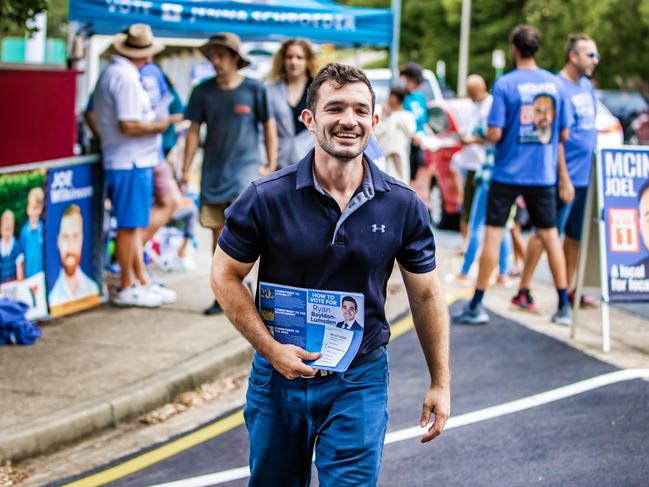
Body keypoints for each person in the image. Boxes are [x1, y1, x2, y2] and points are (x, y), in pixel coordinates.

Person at [211, 63, 450, 486]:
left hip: (359, 378)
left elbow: (427, 295)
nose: (348, 120)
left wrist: (440, 382)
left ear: (374, 122)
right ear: (309, 119)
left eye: (360, 110)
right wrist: (270, 349)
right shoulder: (265, 197)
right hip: (278, 377)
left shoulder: (403, 205)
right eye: (334, 108)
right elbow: (224, 276)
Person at [453, 25, 573, 326]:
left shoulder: (506, 84)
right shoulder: (555, 85)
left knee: (494, 233)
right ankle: (563, 306)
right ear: (537, 49)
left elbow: (494, 132)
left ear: (514, 49)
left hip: (507, 172)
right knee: (550, 236)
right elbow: (564, 133)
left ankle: (477, 303)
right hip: (542, 173)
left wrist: (482, 134)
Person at [182, 32, 278, 315]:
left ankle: (246, 286)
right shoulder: (202, 91)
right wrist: (184, 169)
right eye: (212, 55)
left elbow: (268, 125)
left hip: (245, 172)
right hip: (213, 173)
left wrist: (270, 163)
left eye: (221, 55)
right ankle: (223, 294)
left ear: (235, 58)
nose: (215, 60)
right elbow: (192, 131)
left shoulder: (254, 89)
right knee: (217, 235)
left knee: (246, 231)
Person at [512, 33, 601, 312]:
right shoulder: (556, 86)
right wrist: (563, 177)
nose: (595, 61)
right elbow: (555, 137)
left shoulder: (586, 87)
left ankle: (572, 289)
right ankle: (523, 290)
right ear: (573, 56)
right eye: (590, 55)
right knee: (545, 233)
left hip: (586, 175)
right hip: (563, 176)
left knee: (575, 236)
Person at [93, 23, 174, 308]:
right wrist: (161, 125)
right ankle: (128, 284)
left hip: (130, 160)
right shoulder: (124, 77)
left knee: (133, 224)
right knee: (129, 226)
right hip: (130, 160)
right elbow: (128, 124)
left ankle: (137, 280)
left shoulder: (119, 73)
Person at [452, 75, 511, 284]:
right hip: (502, 177)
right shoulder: (512, 119)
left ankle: (466, 271)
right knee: (500, 227)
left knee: (477, 224)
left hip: (487, 174)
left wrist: (476, 136)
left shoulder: (494, 111)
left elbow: (487, 133)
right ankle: (503, 273)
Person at [139, 61, 184, 248]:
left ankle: (135, 254)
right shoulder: (127, 77)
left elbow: (180, 112)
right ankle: (130, 258)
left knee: (169, 202)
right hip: (139, 157)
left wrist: (160, 122)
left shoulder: (160, 80)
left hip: (160, 153)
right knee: (140, 212)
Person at [266, 38, 318, 168]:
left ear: (307, 61)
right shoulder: (270, 90)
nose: (294, 62)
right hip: (280, 163)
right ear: (282, 60)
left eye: (299, 57)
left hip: (312, 161)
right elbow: (264, 129)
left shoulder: (319, 89)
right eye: (289, 57)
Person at [48, 205, 100, 306]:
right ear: (58, 241)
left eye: (75, 236)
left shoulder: (93, 288)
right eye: (66, 237)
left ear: (82, 239)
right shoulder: (52, 298)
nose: (70, 246)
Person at [374, 86, 416, 183]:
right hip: (383, 157)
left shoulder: (406, 116)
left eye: (390, 96)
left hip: (398, 156)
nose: (388, 98)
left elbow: (410, 131)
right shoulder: (383, 113)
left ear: (394, 98)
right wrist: (384, 115)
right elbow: (377, 132)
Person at [400, 63, 428, 182]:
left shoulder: (420, 97)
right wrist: (413, 135)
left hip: (419, 143)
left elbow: (424, 121)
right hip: (406, 143)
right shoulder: (402, 96)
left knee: (415, 176)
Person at [19, 187, 45, 278]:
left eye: (37, 208)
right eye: (32, 208)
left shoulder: (43, 229)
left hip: (42, 275)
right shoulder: (24, 232)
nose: (34, 212)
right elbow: (21, 256)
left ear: (41, 209)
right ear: (28, 209)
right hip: (28, 277)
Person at [0, 210, 24, 283]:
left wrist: (20, 281)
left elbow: (19, 265)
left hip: (14, 282)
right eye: (6, 229)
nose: (8, 233)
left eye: (10, 229)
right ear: (1, 229)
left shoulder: (15, 245)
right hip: (3, 283)